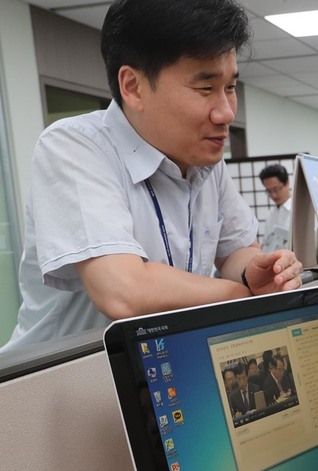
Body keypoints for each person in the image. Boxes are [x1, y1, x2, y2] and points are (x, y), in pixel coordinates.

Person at [0, 0, 302, 353]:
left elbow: (236, 252)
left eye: (230, 87)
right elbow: (123, 291)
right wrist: (241, 296)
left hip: (160, 368)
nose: (225, 112)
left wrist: (259, 273)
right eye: (206, 89)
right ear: (133, 86)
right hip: (60, 382)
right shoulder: (74, 147)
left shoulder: (207, 161)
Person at [259, 163, 292, 252]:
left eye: (276, 189)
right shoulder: (270, 213)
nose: (273, 195)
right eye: (269, 191)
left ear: (287, 183)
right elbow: (266, 242)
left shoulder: (298, 210)